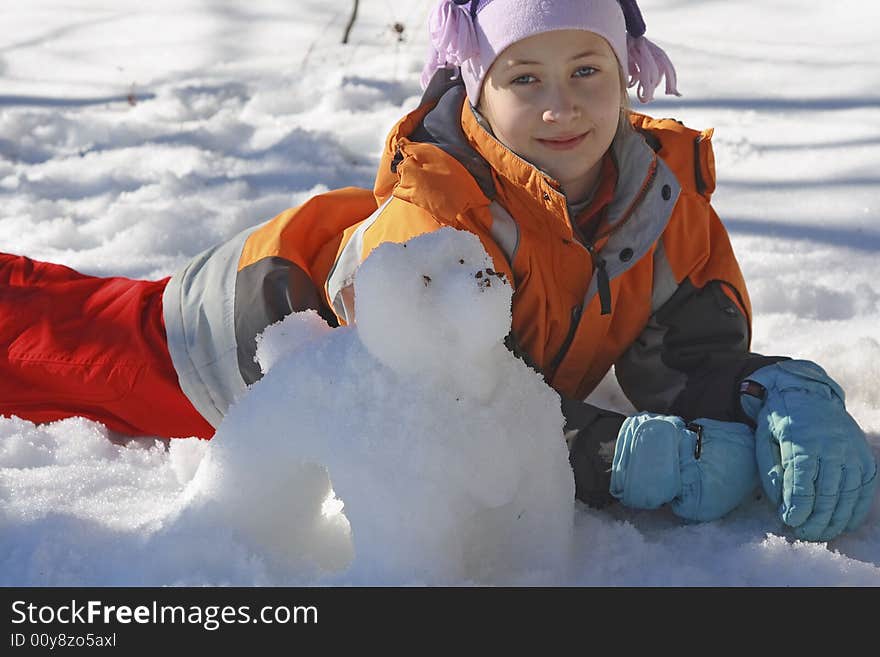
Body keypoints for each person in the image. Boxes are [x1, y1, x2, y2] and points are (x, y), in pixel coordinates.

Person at [0, 0, 875, 541]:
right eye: (523, 76)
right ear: (476, 91)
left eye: (586, 70)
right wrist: (623, 460)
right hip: (255, 336)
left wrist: (782, 392)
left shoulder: (663, 208)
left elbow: (682, 364)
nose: (560, 104)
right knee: (44, 341)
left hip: (323, 281)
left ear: (627, 74)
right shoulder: (440, 212)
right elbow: (442, 416)